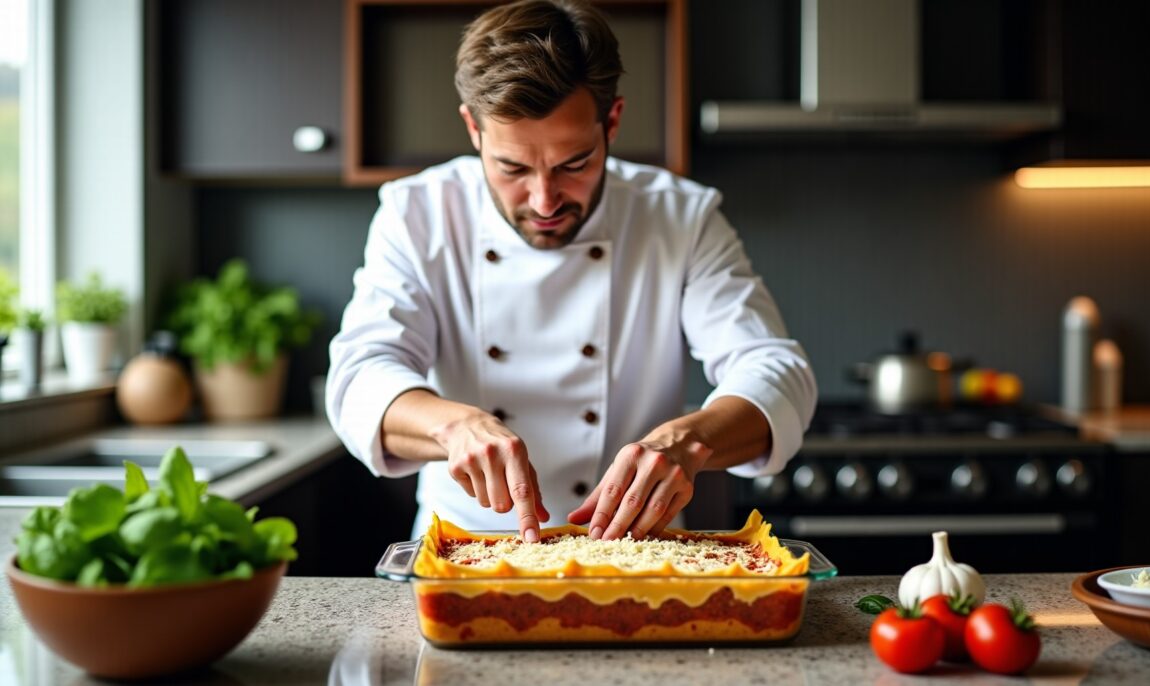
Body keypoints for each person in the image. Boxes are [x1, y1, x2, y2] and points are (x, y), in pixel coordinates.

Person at [326, 0, 816, 543]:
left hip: (634, 546)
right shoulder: (419, 213)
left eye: (574, 164)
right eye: (512, 167)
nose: (544, 200)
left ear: (613, 121)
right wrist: (453, 427)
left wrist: (685, 441)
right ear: (473, 128)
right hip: (464, 545)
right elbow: (359, 379)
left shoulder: (679, 217)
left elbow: (775, 370)